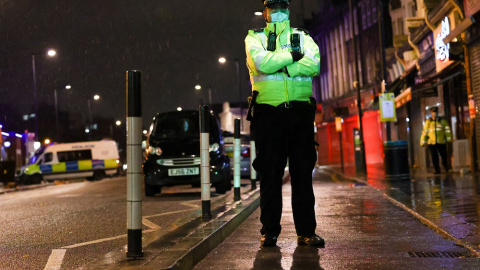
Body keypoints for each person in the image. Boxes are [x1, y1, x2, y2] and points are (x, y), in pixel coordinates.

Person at [245, 0, 324, 247]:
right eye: (272, 6)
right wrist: (292, 56)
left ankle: (306, 232)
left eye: (282, 5)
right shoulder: (253, 38)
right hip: (268, 113)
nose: (278, 10)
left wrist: (282, 65)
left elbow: (315, 65)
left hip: (300, 113)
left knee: (302, 175)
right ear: (265, 11)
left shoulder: (303, 36)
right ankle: (270, 232)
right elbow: (261, 64)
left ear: (288, 10)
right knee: (270, 175)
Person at [420, 106, 452, 174]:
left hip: (441, 141)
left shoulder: (442, 121)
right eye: (433, 112)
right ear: (431, 113)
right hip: (432, 143)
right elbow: (424, 132)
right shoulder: (428, 122)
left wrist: (449, 139)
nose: (434, 114)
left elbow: (447, 131)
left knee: (444, 155)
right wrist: (423, 142)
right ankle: (437, 170)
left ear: (437, 112)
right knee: (434, 157)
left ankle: (446, 166)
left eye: (435, 112)